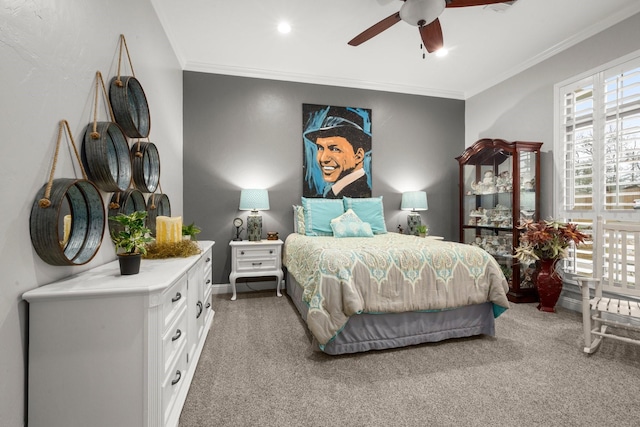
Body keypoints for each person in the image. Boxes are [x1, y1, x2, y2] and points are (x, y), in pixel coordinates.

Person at [303, 106, 372, 198]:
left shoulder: (359, 193)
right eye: (320, 148)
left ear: (358, 156)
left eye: (335, 149)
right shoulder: (336, 192)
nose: (323, 159)